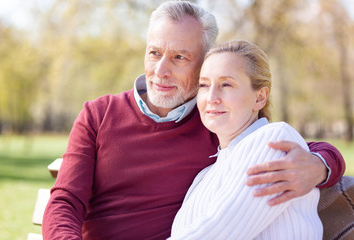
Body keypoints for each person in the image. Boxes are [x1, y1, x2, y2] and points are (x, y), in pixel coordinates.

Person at [42, 1, 345, 239]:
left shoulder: (215, 121)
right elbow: (65, 202)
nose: (161, 70)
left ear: (204, 64)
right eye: (154, 53)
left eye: (179, 58)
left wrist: (321, 166)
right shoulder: (98, 114)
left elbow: (283, 144)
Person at [168, 40, 323, 240]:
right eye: (204, 85)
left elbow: (220, 232)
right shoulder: (205, 176)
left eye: (226, 84)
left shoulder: (275, 140)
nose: (212, 97)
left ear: (260, 97)